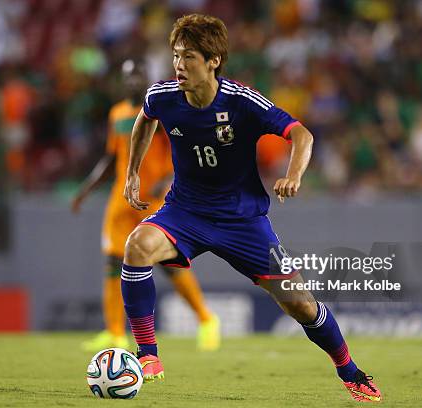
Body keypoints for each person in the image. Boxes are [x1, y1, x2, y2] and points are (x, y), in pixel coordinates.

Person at [121, 14, 382, 402]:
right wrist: (132, 173)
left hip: (242, 221)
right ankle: (148, 355)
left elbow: (302, 135)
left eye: (188, 57)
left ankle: (350, 370)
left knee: (302, 306)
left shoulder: (242, 102)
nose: (179, 65)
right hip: (186, 211)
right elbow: (145, 120)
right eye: (176, 56)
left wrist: (293, 174)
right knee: (137, 245)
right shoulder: (162, 95)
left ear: (213, 61)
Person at [72, 60, 220, 353]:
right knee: (113, 264)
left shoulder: (161, 110)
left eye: (137, 75)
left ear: (146, 77)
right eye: (127, 76)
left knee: (169, 264)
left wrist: (165, 179)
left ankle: (206, 320)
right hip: (121, 199)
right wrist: (85, 190)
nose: (132, 81)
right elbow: (112, 158)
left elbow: (182, 149)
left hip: (153, 198)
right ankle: (115, 333)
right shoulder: (117, 113)